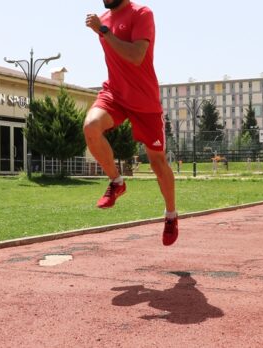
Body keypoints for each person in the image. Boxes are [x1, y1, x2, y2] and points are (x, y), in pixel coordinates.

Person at [85, 0, 179, 246]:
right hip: (115, 93)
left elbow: (136, 56)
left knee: (158, 162)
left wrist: (103, 32)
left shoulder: (142, 13)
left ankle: (171, 215)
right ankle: (116, 182)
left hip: (144, 99)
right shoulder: (103, 18)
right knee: (90, 127)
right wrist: (102, 28)